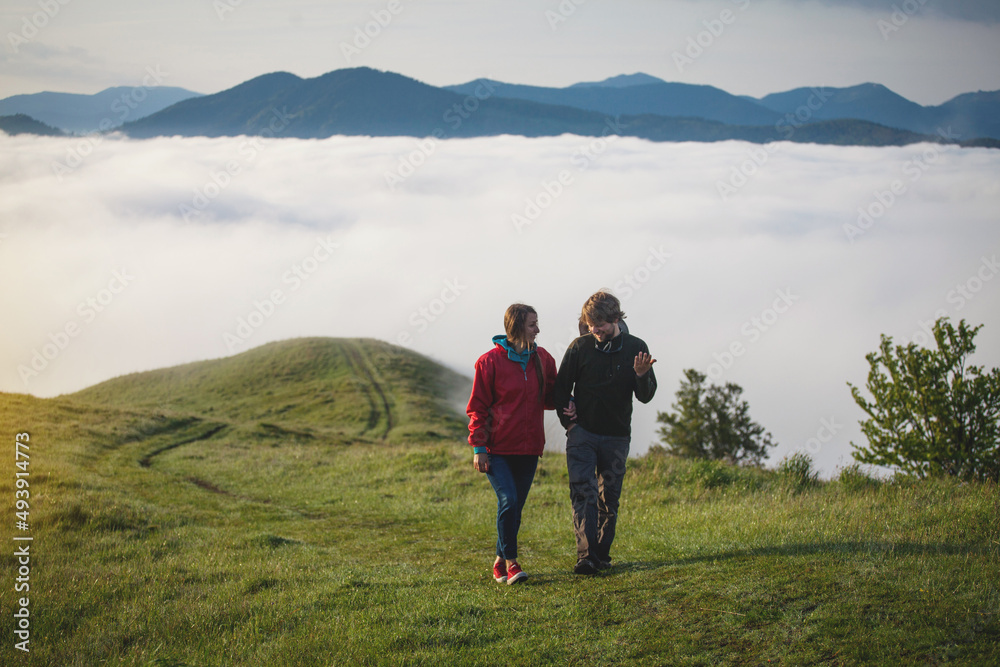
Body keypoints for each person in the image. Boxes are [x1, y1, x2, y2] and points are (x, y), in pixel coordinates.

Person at [555, 291, 657, 575]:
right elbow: (561, 389)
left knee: (608, 498)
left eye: (598, 323)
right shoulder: (580, 347)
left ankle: (601, 554)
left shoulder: (636, 347)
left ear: (614, 319)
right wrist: (570, 424)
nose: (593, 329)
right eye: (589, 324)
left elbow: (646, 396)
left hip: (616, 437)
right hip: (582, 435)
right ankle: (585, 557)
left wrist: (641, 375)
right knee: (583, 493)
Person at [466, 304, 559, 585]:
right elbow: (477, 408)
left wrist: (573, 403)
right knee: (508, 500)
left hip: (529, 448)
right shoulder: (489, 362)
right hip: (497, 450)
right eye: (533, 324)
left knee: (514, 506)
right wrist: (478, 448)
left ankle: (498, 561)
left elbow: (552, 398)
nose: (538, 329)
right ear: (517, 327)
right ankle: (512, 563)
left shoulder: (544, 359)